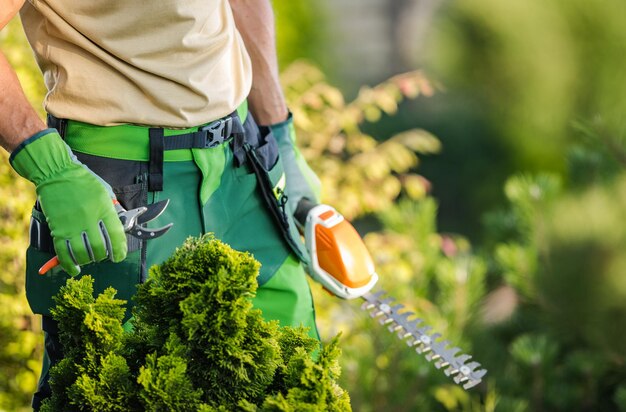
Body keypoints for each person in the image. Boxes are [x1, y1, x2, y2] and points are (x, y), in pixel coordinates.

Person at [0, 1, 322, 409]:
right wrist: (47, 164)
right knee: (114, 392)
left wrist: (279, 131)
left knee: (298, 384)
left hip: (242, 163)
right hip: (118, 189)